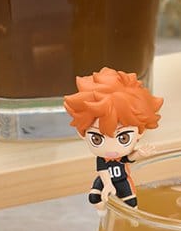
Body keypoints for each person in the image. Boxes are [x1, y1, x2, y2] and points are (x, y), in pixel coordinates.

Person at [63, 68, 163, 211]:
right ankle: (103, 213)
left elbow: (130, 158)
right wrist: (108, 185)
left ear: (140, 132)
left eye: (123, 138)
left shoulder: (121, 158)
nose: (111, 149)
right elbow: (103, 171)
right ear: (82, 133)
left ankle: (127, 218)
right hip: (104, 181)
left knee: (131, 204)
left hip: (122, 181)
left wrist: (140, 153)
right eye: (97, 139)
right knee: (94, 198)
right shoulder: (102, 160)